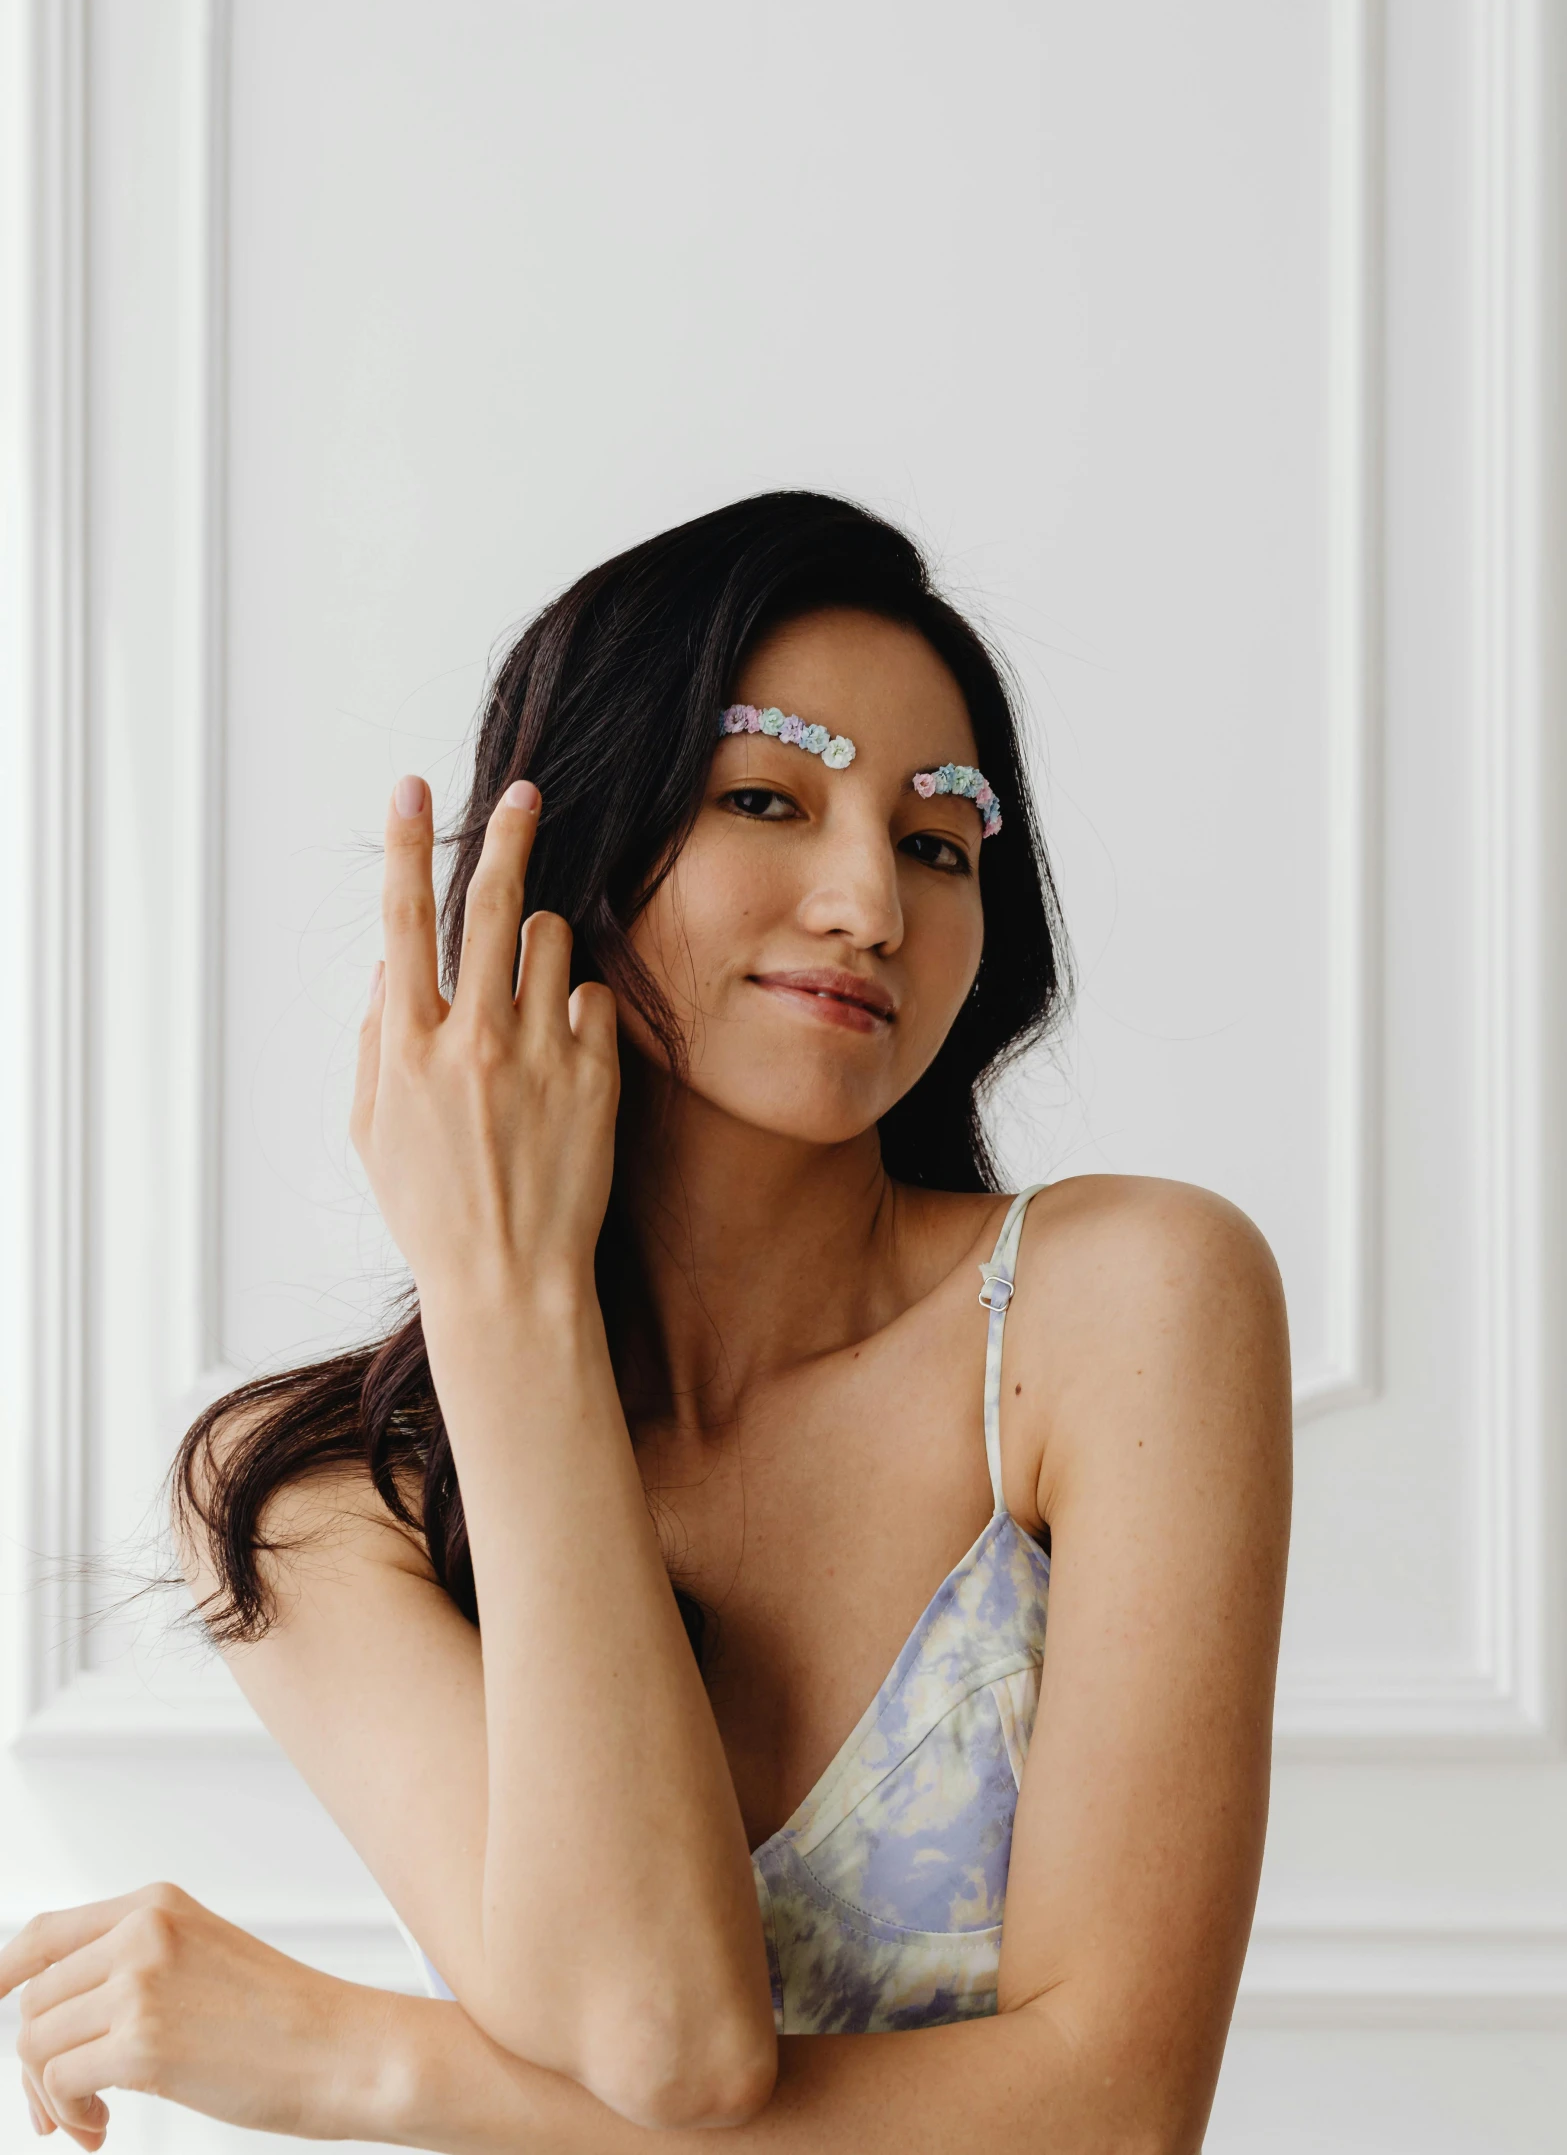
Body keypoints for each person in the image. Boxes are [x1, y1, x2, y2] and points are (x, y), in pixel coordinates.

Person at [4, 490, 1292, 2152]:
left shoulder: (1118, 1302)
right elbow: (665, 2033)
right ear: (575, 860)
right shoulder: (312, 1500)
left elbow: (1109, 2116)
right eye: (767, 796)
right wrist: (500, 1301)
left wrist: (354, 2060)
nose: (869, 906)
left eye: (934, 840)